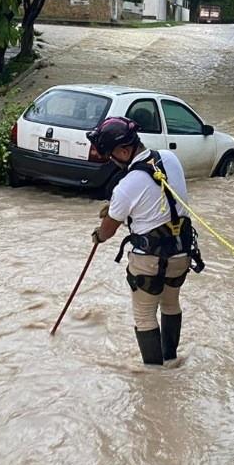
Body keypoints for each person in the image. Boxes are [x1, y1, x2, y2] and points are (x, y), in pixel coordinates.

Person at [88, 116, 204, 367]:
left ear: (125, 150)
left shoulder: (126, 186)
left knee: (144, 314)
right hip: (182, 254)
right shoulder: (170, 159)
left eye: (111, 154)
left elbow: (107, 232)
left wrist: (99, 233)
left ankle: (154, 375)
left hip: (148, 261)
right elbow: (160, 200)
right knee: (171, 303)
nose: (111, 160)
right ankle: (171, 358)